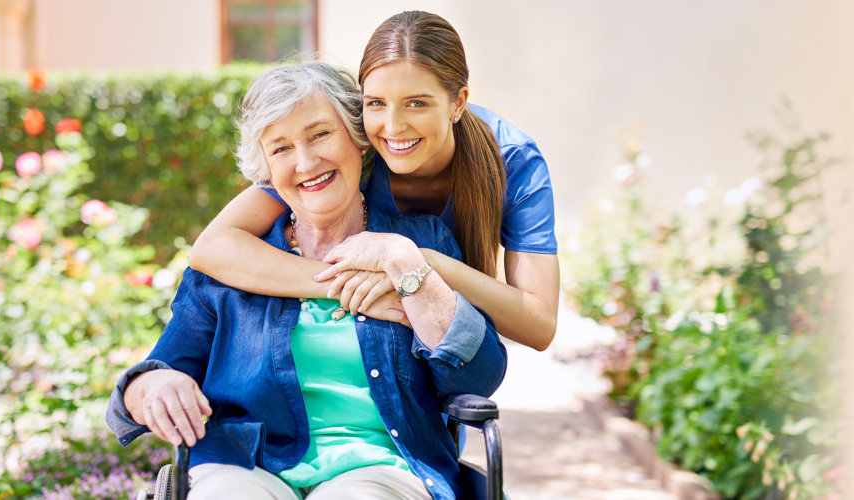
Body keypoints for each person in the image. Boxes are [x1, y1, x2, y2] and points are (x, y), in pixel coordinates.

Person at [106, 61, 505, 500]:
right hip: (243, 464)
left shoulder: (420, 241)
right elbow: (159, 369)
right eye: (280, 149)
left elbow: (479, 377)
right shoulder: (230, 266)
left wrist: (411, 273)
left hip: (382, 467)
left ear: (358, 138)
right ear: (266, 170)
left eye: (320, 135)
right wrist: (154, 385)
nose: (305, 162)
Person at [191, 10, 562, 351]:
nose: (393, 126)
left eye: (417, 103)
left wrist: (416, 263)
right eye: (376, 103)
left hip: (450, 342)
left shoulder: (512, 160)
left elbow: (539, 324)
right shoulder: (352, 146)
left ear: (458, 102)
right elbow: (212, 247)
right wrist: (336, 285)